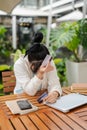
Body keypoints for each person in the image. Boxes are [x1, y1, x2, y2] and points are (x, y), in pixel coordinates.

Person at [14, 32, 62, 103]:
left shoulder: (48, 62)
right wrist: (40, 73)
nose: (41, 66)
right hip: (22, 98)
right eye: (36, 65)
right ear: (29, 60)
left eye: (44, 63)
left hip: (43, 98)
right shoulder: (20, 64)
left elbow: (55, 83)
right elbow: (29, 91)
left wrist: (55, 93)